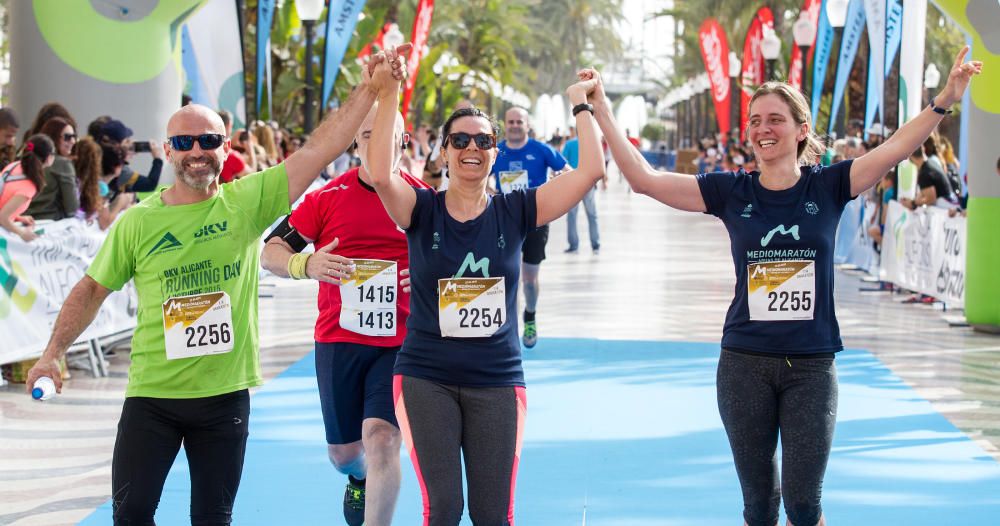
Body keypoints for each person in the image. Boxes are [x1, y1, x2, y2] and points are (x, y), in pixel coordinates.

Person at [580, 46, 980, 526]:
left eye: (775, 119)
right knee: (759, 507)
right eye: (754, 121)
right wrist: (601, 107)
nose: (763, 130)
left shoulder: (830, 185)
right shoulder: (731, 191)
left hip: (811, 367)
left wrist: (945, 99)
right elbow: (644, 179)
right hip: (744, 364)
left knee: (804, 505)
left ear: (801, 129)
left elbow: (894, 148)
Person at [24, 46, 410, 525]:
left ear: (226, 149)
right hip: (152, 398)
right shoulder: (138, 223)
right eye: (183, 142)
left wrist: (372, 88)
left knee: (213, 518)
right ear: (167, 151)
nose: (196, 151)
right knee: (132, 513)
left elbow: (320, 148)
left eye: (208, 140)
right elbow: (90, 290)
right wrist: (51, 352)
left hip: (223, 399)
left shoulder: (246, 202)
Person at [366, 52, 605, 526]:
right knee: (445, 509)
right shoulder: (422, 210)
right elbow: (379, 175)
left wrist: (582, 105)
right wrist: (387, 90)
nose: (471, 147)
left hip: (497, 378)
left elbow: (589, 172)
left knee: (493, 514)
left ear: (496, 150)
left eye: (483, 139)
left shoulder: (515, 210)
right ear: (443, 151)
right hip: (425, 375)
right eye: (459, 140)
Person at [260, 103, 428, 526]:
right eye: (368, 135)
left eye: (389, 135)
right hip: (339, 341)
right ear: (355, 143)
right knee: (345, 454)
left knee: (383, 439)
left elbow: (460, 259)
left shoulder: (422, 201)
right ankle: (358, 480)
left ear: (403, 143)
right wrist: (306, 265)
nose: (377, 145)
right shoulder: (327, 198)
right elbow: (270, 252)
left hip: (401, 344)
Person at [491, 106, 569, 348]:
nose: (515, 125)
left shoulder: (541, 150)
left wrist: (559, 180)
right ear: (505, 124)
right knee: (505, 277)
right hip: (504, 221)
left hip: (536, 220)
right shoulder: (496, 151)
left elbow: (567, 171)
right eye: (511, 122)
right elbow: (480, 176)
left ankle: (530, 315)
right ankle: (508, 327)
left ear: (527, 125)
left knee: (528, 279)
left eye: (519, 122)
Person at [0, 134, 55, 241]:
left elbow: (3, 198)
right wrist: (21, 233)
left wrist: (17, 217)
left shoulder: (15, 165)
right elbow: (2, 217)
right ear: (49, 158)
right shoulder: (28, 186)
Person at [25, 117, 80, 220]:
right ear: (54, 137)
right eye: (67, 137)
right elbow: (72, 208)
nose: (73, 141)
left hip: (23, 222)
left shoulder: (26, 160)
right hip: (50, 226)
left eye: (74, 136)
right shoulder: (63, 164)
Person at [561, 133, 601, 254]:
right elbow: (598, 163)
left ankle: (573, 245)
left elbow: (563, 163)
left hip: (573, 183)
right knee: (592, 215)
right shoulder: (592, 144)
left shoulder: (569, 144)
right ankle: (595, 244)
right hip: (588, 182)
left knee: (572, 216)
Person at [900, 144, 956, 210]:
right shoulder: (930, 163)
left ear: (910, 157)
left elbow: (931, 199)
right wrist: (912, 202)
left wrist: (913, 203)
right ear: (923, 149)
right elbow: (925, 193)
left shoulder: (925, 173)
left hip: (946, 209)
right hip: (950, 205)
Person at [217, 110, 251, 183]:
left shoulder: (207, 149)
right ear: (229, 125)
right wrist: (250, 150)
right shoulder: (232, 156)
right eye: (232, 126)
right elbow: (252, 175)